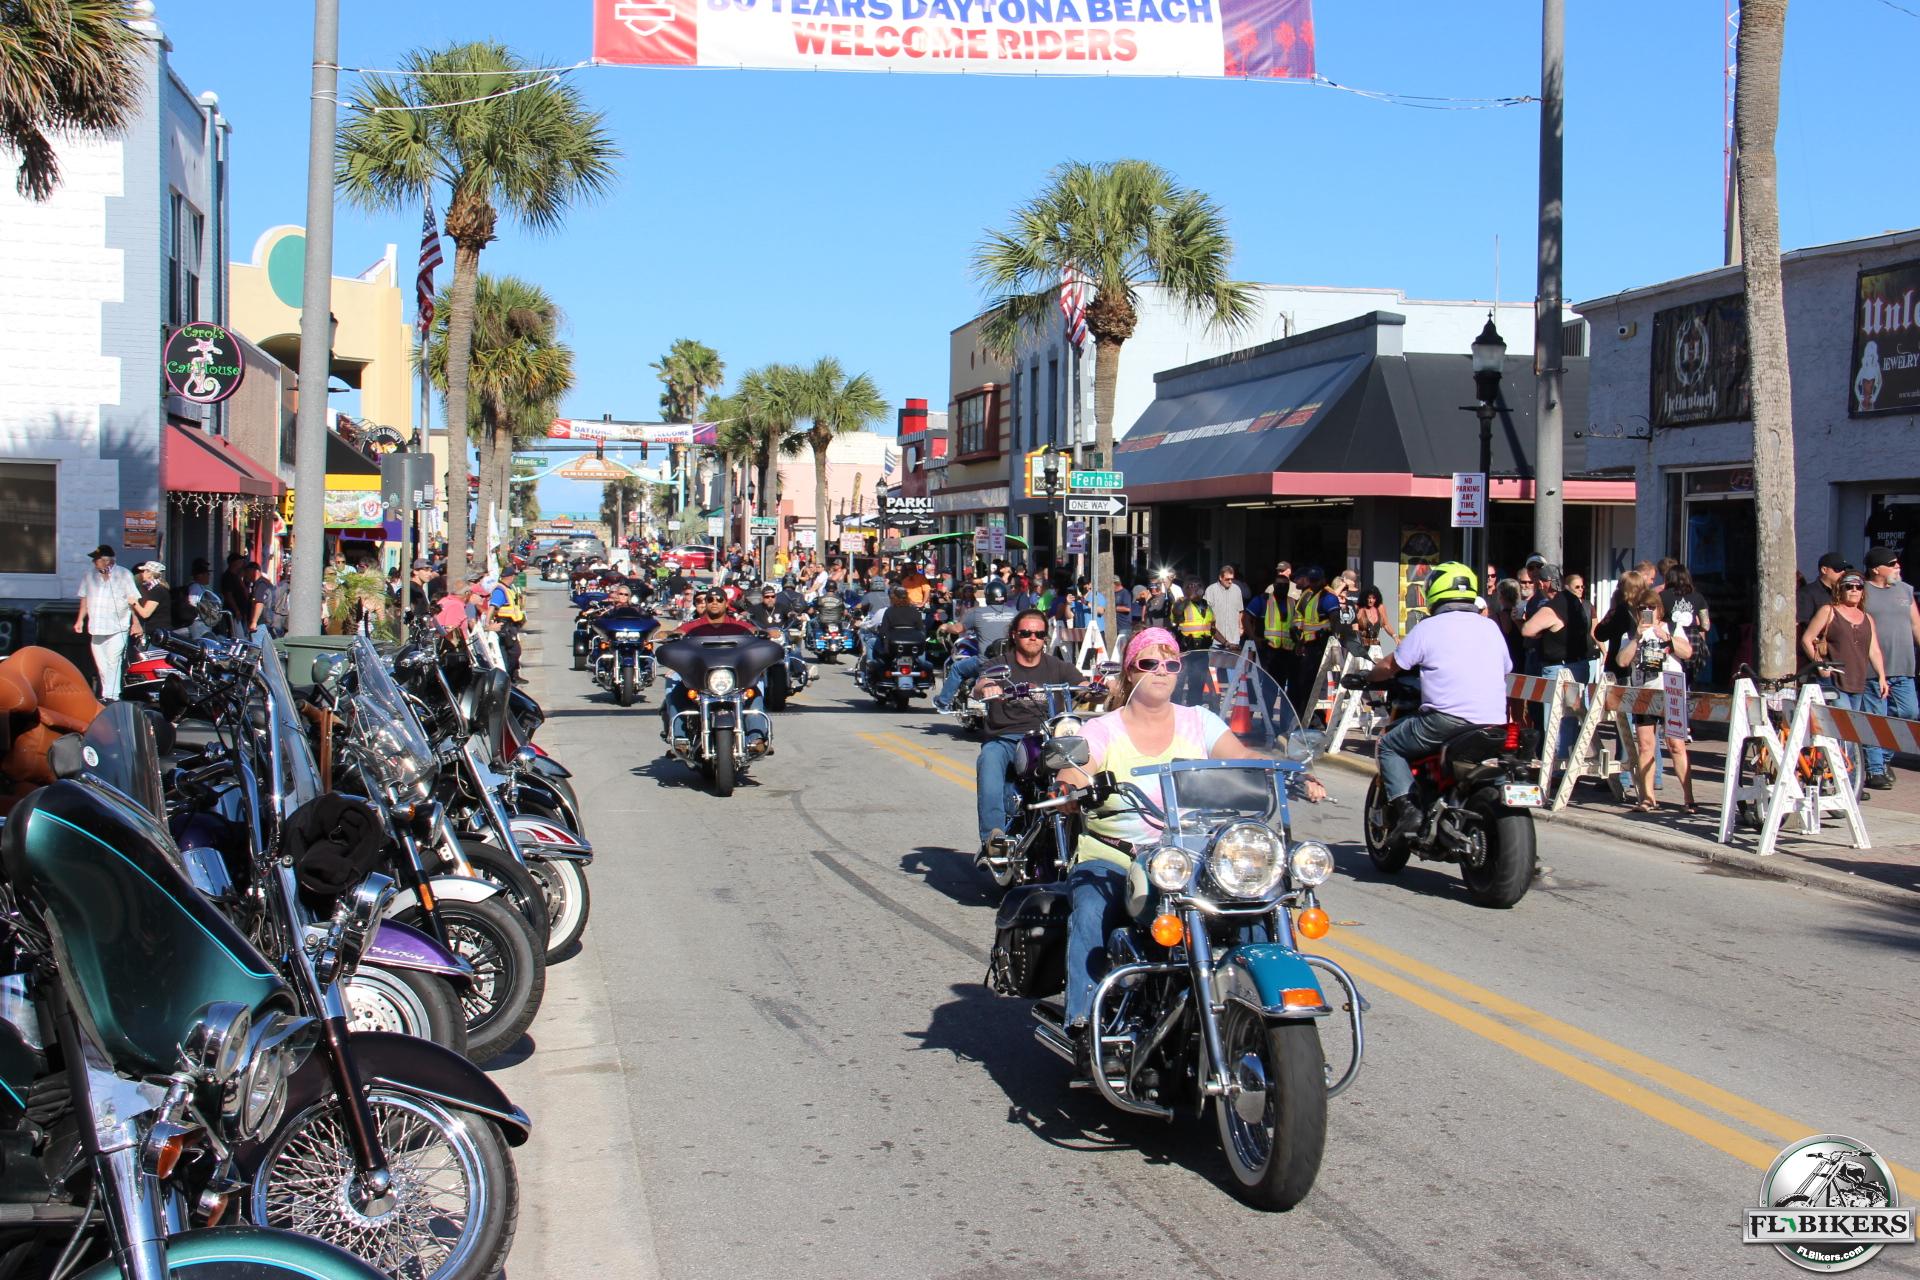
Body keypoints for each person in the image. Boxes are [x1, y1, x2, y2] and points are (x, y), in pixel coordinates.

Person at [1052, 628, 1323, 1069]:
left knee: (1257, 899)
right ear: (1130, 669)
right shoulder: (1103, 728)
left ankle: (1272, 1022)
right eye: (1149, 663)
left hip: (1192, 855)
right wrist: (1075, 782)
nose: (1161, 672)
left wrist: (1287, 769)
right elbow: (1080, 766)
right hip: (1117, 854)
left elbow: (1240, 759)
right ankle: (1085, 1026)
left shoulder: (1201, 721)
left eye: (1171, 664)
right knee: (1090, 908)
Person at [1358, 563, 1512, 843]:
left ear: (1434, 591)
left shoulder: (1428, 627)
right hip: (1495, 721)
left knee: (1388, 744)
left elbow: (1393, 665)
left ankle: (1409, 812)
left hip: (1446, 721)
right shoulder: (1490, 627)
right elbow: (1505, 668)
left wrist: (1368, 675)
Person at [972, 608, 1083, 858]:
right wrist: (987, 686)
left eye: (1039, 634)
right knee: (989, 757)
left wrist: (1101, 686)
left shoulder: (1057, 666)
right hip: (1008, 739)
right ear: (1014, 635)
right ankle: (994, 836)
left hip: (1049, 739)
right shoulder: (1000, 665)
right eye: (1026, 633)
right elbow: (981, 683)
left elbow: (1083, 685)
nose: (1033, 638)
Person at [1617, 577, 1696, 813]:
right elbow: (1621, 661)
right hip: (1645, 691)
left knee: (1676, 745)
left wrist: (1668, 638)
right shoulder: (1631, 634)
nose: (1647, 612)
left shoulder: (1671, 627)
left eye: (1651, 608)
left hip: (1670, 689)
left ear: (1660, 609)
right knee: (1646, 746)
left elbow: (1688, 652)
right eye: (1643, 609)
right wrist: (1637, 638)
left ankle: (1689, 798)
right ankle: (1647, 797)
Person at [1861, 546, 1920, 789]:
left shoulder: (1905, 590)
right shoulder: (1860, 591)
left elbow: (1916, 624)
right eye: (1892, 563)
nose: (1898, 566)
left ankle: (1883, 759)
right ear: (1876, 569)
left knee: (1908, 714)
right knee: (1876, 718)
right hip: (1874, 668)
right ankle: (1875, 771)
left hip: (1903, 666)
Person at [1802, 572, 1887, 714]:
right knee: (1843, 719)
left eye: (1858, 587)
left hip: (1858, 681)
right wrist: (1821, 665)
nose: (1854, 590)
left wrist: (1882, 677)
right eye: (1849, 586)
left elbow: (1874, 651)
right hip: (1834, 680)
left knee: (1852, 725)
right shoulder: (1828, 611)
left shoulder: (1868, 618)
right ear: (1840, 590)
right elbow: (1806, 640)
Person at [935, 579, 1017, 712]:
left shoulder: (977, 613)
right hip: (1010, 662)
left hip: (985, 663)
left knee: (956, 668)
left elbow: (957, 629)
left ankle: (943, 702)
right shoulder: (1014, 613)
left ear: (987, 596)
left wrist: (945, 626)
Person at [73, 545, 141, 699]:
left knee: (114, 661)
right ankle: (106, 693)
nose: (94, 563)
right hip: (96, 626)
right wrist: (80, 620)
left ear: (107, 561)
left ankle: (113, 695)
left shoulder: (124, 575)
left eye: (96, 560)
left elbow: (132, 600)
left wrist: (135, 623)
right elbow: (84, 598)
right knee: (102, 666)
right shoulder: (89, 576)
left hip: (118, 627)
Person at [1203, 565, 1245, 650]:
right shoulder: (1211, 590)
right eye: (1227, 579)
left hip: (1233, 638)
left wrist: (1240, 627)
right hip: (1216, 639)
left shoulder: (1237, 589)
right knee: (1215, 663)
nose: (1230, 581)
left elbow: (1240, 610)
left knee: (1233, 663)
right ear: (1220, 577)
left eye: (1232, 579)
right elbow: (1205, 612)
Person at [130, 561, 175, 637]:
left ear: (149, 573)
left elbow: (145, 614)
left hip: (158, 633)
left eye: (144, 571)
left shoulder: (157, 590)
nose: (142, 573)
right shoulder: (151, 589)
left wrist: (134, 602)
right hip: (154, 631)